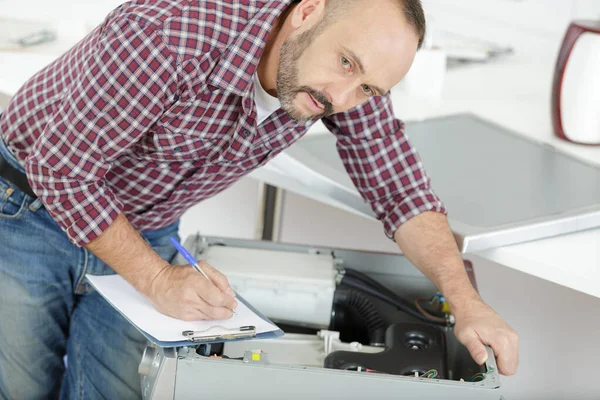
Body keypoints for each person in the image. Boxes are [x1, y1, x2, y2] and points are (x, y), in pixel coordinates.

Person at [0, 0, 519, 398]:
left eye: (369, 89)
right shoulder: (171, 34)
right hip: (27, 210)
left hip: (144, 224)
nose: (342, 99)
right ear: (309, 10)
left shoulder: (341, 82)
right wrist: (157, 279)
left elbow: (399, 187)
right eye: (345, 63)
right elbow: (62, 169)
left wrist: (466, 301)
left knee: (118, 391)